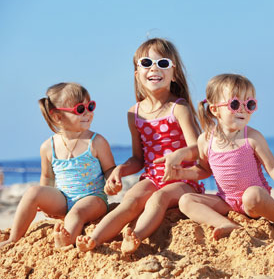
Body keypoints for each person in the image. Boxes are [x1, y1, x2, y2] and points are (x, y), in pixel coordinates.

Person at [76, 38, 203, 254]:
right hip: (153, 177)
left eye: (163, 63)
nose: (154, 68)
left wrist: (178, 156)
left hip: (183, 179)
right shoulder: (134, 113)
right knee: (131, 200)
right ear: (137, 73)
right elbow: (139, 159)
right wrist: (120, 170)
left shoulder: (178, 108)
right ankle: (94, 239)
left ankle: (137, 236)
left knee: (159, 198)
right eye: (146, 63)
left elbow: (198, 149)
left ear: (174, 73)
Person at [161, 74, 274, 240]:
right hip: (226, 202)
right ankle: (227, 224)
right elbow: (203, 169)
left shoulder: (251, 137)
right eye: (235, 104)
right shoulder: (205, 140)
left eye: (249, 104)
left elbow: (272, 167)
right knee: (186, 201)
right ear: (214, 109)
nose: (243, 109)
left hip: (254, 202)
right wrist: (182, 174)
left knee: (253, 195)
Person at [0, 83, 116, 249]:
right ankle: (14, 238)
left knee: (77, 212)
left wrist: (113, 180)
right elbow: (47, 177)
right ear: (58, 116)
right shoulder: (48, 146)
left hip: (93, 199)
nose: (88, 113)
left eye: (90, 106)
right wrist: (44, 199)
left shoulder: (96, 142)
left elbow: (109, 169)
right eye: (80, 109)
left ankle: (66, 242)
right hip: (63, 199)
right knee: (33, 192)